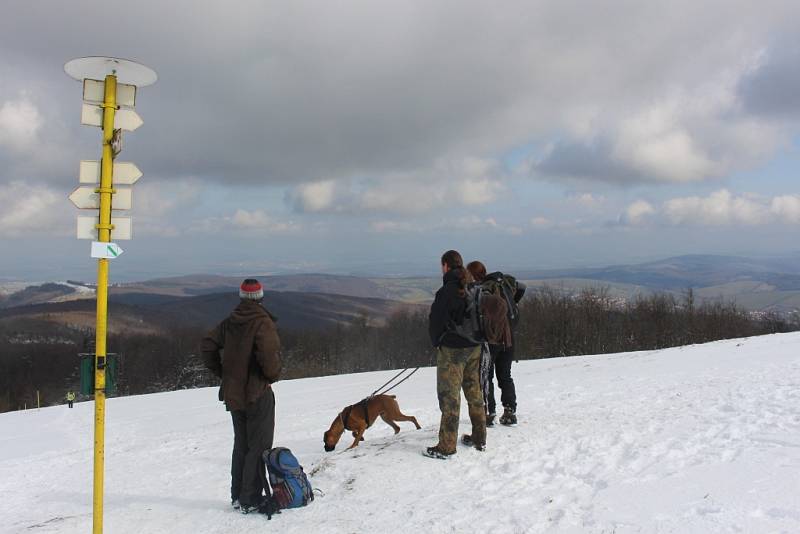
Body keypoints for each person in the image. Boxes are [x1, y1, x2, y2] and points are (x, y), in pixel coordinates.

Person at [202, 279, 282, 515]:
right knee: (259, 446)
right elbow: (270, 358)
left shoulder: (230, 321)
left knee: (242, 445)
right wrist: (271, 375)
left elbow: (207, 345)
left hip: (234, 394)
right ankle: (250, 499)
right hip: (258, 393)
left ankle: (238, 495)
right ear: (260, 296)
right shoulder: (262, 322)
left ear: (242, 296)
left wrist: (224, 374)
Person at [424, 250, 486, 459]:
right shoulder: (472, 285)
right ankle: (479, 436)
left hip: (452, 351)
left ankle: (447, 446)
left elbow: (436, 320)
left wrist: (437, 342)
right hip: (474, 346)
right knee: (474, 392)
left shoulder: (447, 290)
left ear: (445, 266)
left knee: (450, 398)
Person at [466, 261, 526, 426]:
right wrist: (513, 303)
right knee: (505, 376)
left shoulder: (481, 289)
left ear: (472, 274)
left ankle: (489, 412)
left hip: (491, 339)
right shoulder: (503, 282)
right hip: (508, 338)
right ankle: (510, 411)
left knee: (486, 376)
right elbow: (522, 287)